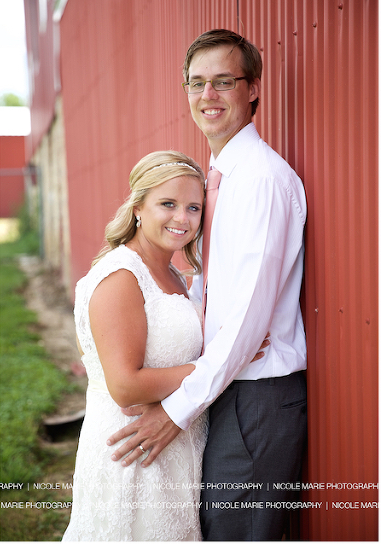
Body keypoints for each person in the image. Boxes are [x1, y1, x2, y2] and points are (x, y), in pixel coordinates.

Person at [107, 29, 308, 541]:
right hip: (224, 389)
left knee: (234, 532)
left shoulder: (260, 180)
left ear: (253, 88)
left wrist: (173, 412)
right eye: (197, 84)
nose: (208, 97)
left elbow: (246, 320)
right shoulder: (217, 176)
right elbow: (216, 292)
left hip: (256, 398)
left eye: (224, 82)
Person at [63, 150, 264, 541]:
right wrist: (226, 361)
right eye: (167, 204)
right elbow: (124, 385)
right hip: (134, 452)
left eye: (193, 207)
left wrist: (230, 348)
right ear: (138, 206)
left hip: (173, 448)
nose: (182, 218)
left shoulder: (171, 272)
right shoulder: (121, 276)